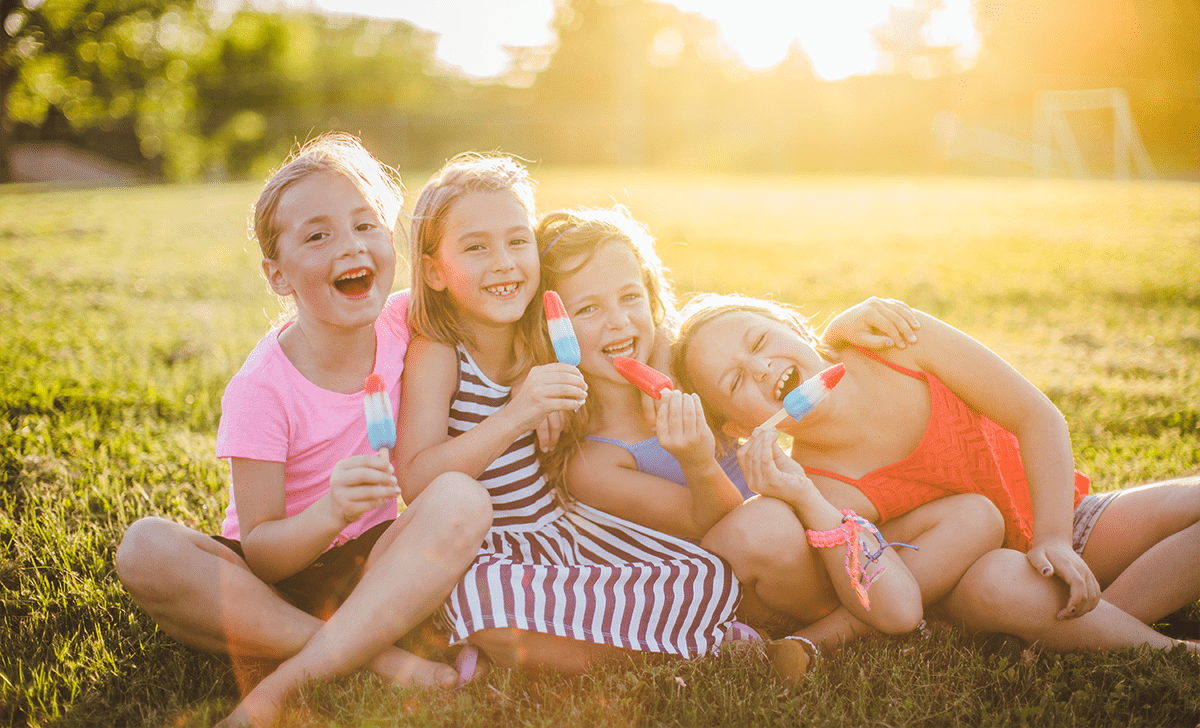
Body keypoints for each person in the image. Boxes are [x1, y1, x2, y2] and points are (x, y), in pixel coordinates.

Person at [115, 133, 493, 728]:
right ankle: (376, 657)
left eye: (366, 225)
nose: (351, 246)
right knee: (143, 548)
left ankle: (309, 660)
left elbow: (488, 306)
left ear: (389, 240)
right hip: (276, 578)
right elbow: (262, 555)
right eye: (318, 236)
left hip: (373, 565)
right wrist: (331, 512)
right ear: (277, 274)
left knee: (462, 498)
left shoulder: (404, 321)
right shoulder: (261, 389)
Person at [536, 206, 1004, 674]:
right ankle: (821, 632)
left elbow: (761, 365)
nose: (619, 322)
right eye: (588, 309)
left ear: (652, 297)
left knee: (975, 515)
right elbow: (709, 525)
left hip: (815, 525)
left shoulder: (671, 355)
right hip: (760, 567)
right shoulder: (594, 463)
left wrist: (833, 334)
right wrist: (698, 460)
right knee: (766, 525)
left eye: (629, 297)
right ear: (552, 330)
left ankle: (856, 619)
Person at [673, 292, 1200, 654]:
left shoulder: (900, 343)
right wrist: (807, 498)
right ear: (739, 428)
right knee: (999, 582)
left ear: (792, 326)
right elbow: (883, 591)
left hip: (1058, 519)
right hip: (984, 580)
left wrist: (1055, 538)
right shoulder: (824, 486)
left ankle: (1100, 623)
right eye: (736, 379)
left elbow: (1036, 417)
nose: (761, 366)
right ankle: (1168, 652)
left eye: (760, 342)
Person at [396, 153, 741, 676]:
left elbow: (641, 327)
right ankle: (677, 651)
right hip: (485, 547)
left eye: (517, 241)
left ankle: (674, 639)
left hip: (564, 531)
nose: (503, 263)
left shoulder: (540, 337)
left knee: (703, 572)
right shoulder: (439, 354)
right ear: (433, 271)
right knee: (481, 596)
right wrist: (517, 414)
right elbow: (416, 479)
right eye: (475, 247)